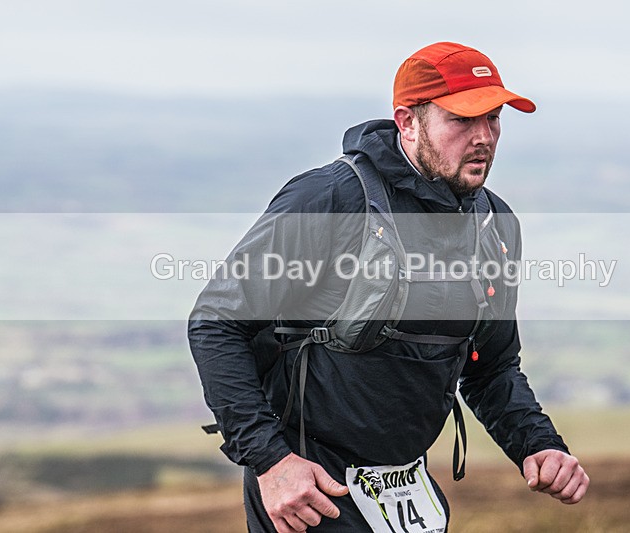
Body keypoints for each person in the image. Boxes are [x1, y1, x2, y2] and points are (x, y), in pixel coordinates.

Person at [189, 41, 589, 532]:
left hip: (407, 492)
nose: (484, 136)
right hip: (311, 488)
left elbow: (491, 366)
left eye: (494, 118)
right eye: (462, 120)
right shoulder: (332, 198)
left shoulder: (494, 224)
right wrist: (272, 462)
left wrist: (539, 445)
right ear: (407, 121)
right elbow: (216, 323)